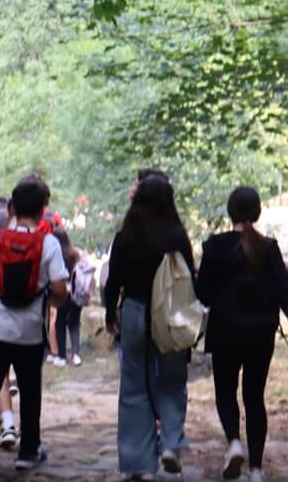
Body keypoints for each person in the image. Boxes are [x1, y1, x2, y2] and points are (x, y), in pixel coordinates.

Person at [0, 175, 69, 478]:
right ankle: (28, 451)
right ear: (43, 209)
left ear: (12, 209)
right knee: (30, 389)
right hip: (30, 332)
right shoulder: (49, 244)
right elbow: (60, 290)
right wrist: (50, 298)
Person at [104, 171, 196, 480]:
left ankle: (139, 464)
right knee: (172, 382)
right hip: (171, 316)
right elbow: (190, 279)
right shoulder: (177, 237)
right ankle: (170, 442)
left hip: (134, 312)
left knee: (134, 387)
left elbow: (113, 281)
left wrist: (110, 316)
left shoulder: (126, 236)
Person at [197, 187, 288, 482]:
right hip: (261, 334)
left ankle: (234, 443)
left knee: (225, 393)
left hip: (225, 331)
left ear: (230, 212)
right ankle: (256, 470)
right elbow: (283, 293)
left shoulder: (215, 246)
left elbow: (203, 294)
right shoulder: (270, 248)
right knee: (255, 398)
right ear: (257, 212)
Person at [57, 230, 94, 369]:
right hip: (77, 292)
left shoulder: (57, 255)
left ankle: (62, 356)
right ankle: (76, 354)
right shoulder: (75, 254)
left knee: (60, 323)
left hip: (63, 292)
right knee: (74, 323)